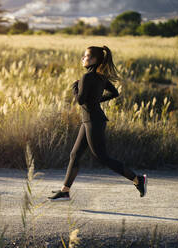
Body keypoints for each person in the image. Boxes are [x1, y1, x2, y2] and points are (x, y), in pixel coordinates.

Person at [48, 45, 147, 201]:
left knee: (102, 157)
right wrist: (96, 100)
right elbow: (114, 93)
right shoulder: (101, 77)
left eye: (86, 56)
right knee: (75, 154)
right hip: (90, 120)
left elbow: (80, 100)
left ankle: (137, 179)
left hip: (93, 121)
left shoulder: (86, 78)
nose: (83, 58)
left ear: (94, 59)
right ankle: (65, 190)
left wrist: (75, 88)